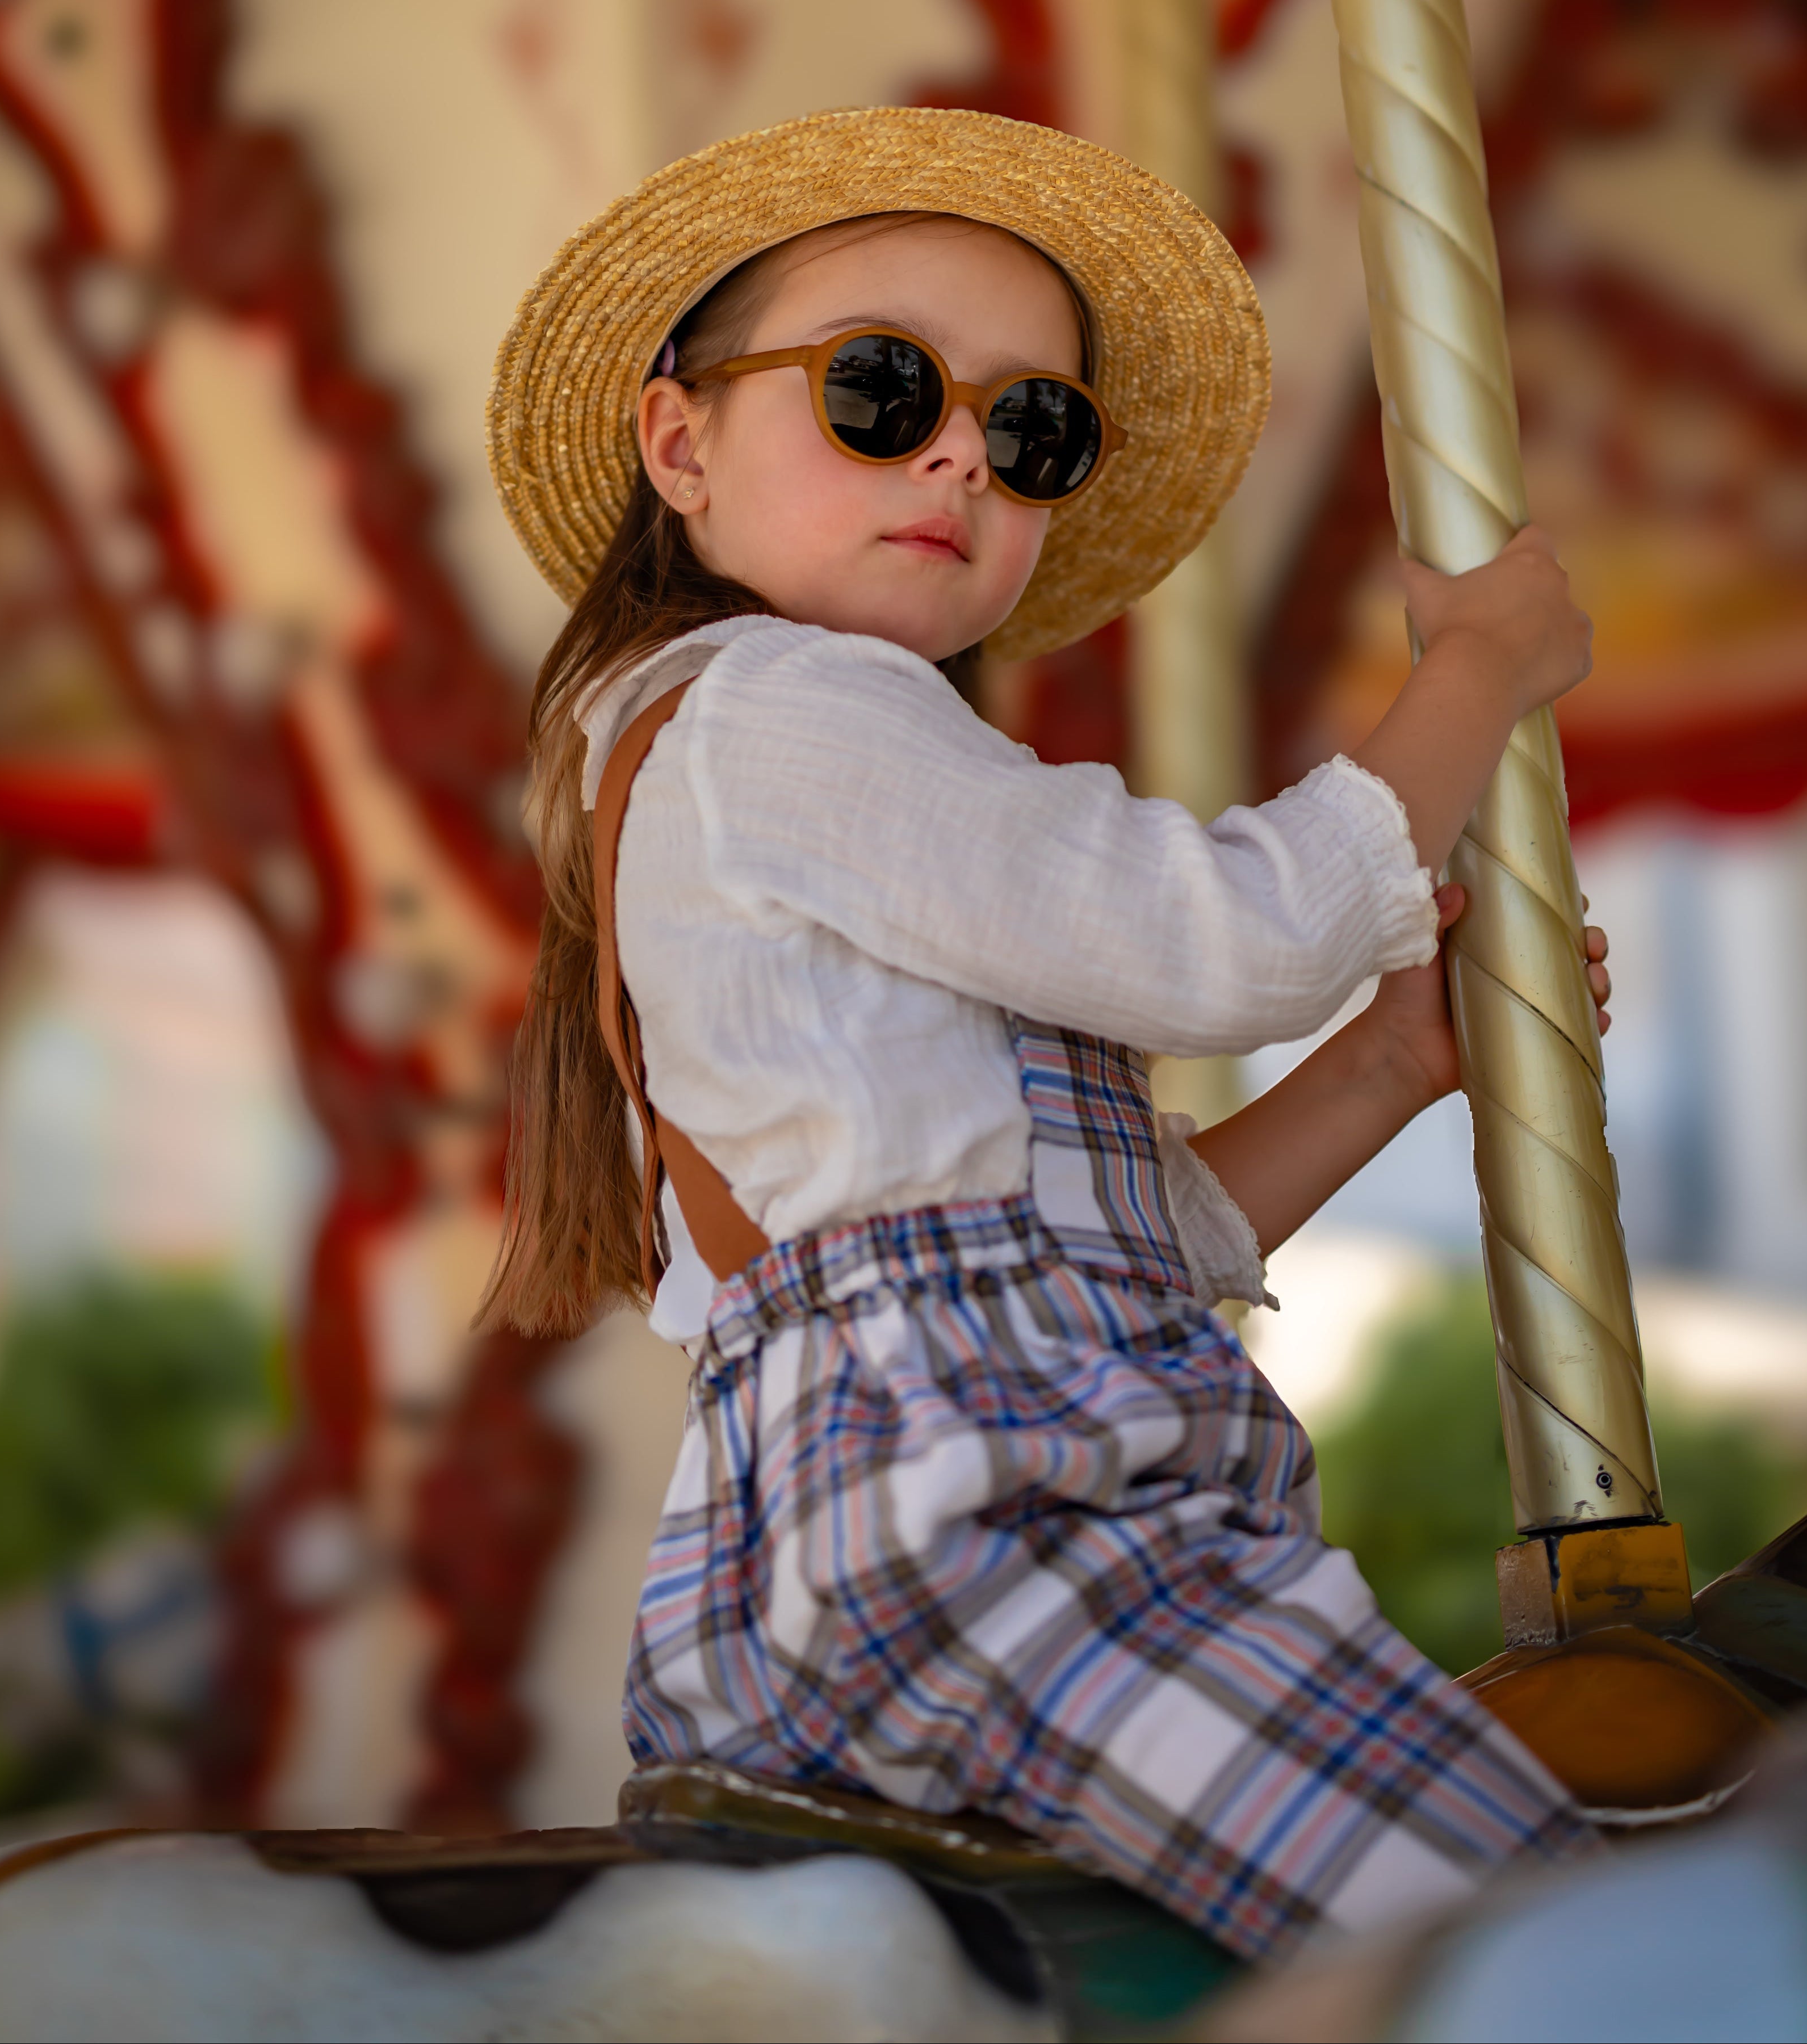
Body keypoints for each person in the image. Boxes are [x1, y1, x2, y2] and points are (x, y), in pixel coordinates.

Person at [478, 107, 1612, 1962]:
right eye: (877, 388)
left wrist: (1395, 1062)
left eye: (1029, 428)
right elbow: (1222, 941)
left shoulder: (797, 775)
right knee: (1560, 1946)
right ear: (679, 440)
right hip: (991, 1518)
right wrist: (1478, 670)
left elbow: (1120, 1247)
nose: (956, 453)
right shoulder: (781, 710)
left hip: (904, 1518)